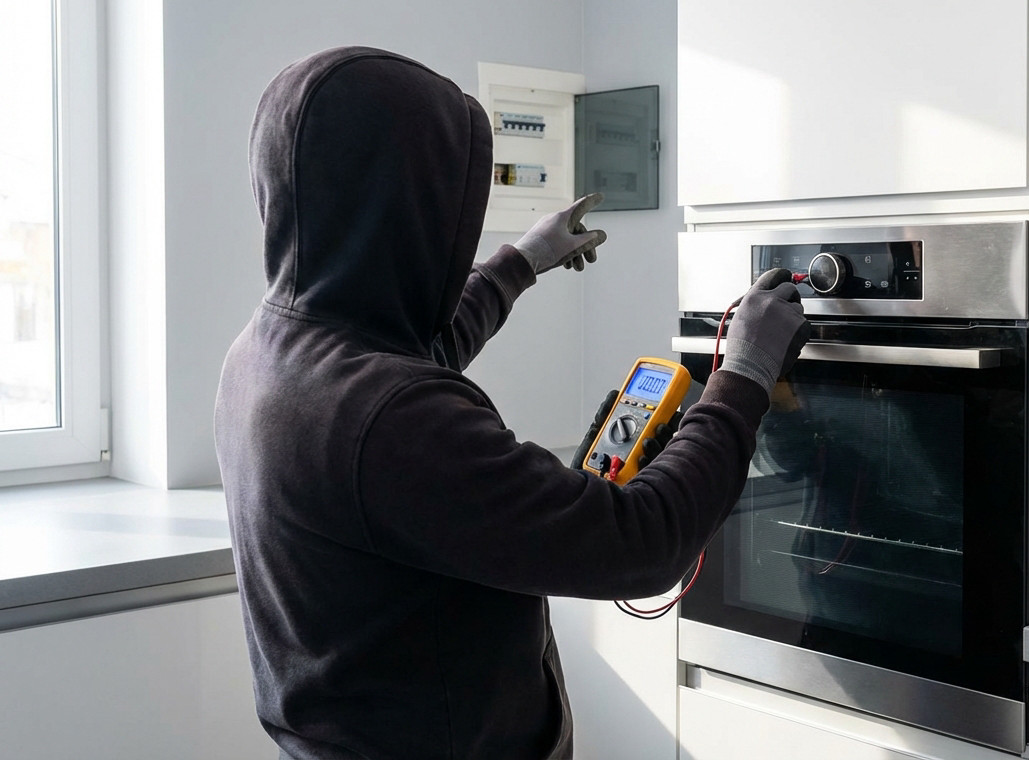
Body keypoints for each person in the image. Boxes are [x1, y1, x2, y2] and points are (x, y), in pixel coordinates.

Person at [213, 46, 808, 760]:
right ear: (407, 210)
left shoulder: (269, 352)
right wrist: (743, 374)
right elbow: (644, 542)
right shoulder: (390, 415)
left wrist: (517, 263)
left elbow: (411, 355)